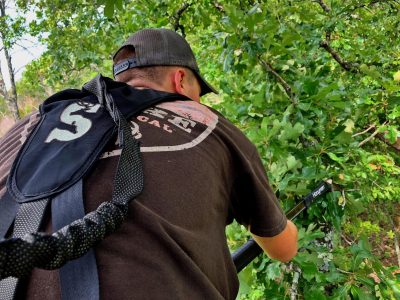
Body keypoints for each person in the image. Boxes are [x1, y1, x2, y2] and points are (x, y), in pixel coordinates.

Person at [0, 28, 297, 299]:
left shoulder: (30, 123)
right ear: (180, 80)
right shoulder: (207, 122)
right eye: (198, 91)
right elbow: (283, 249)